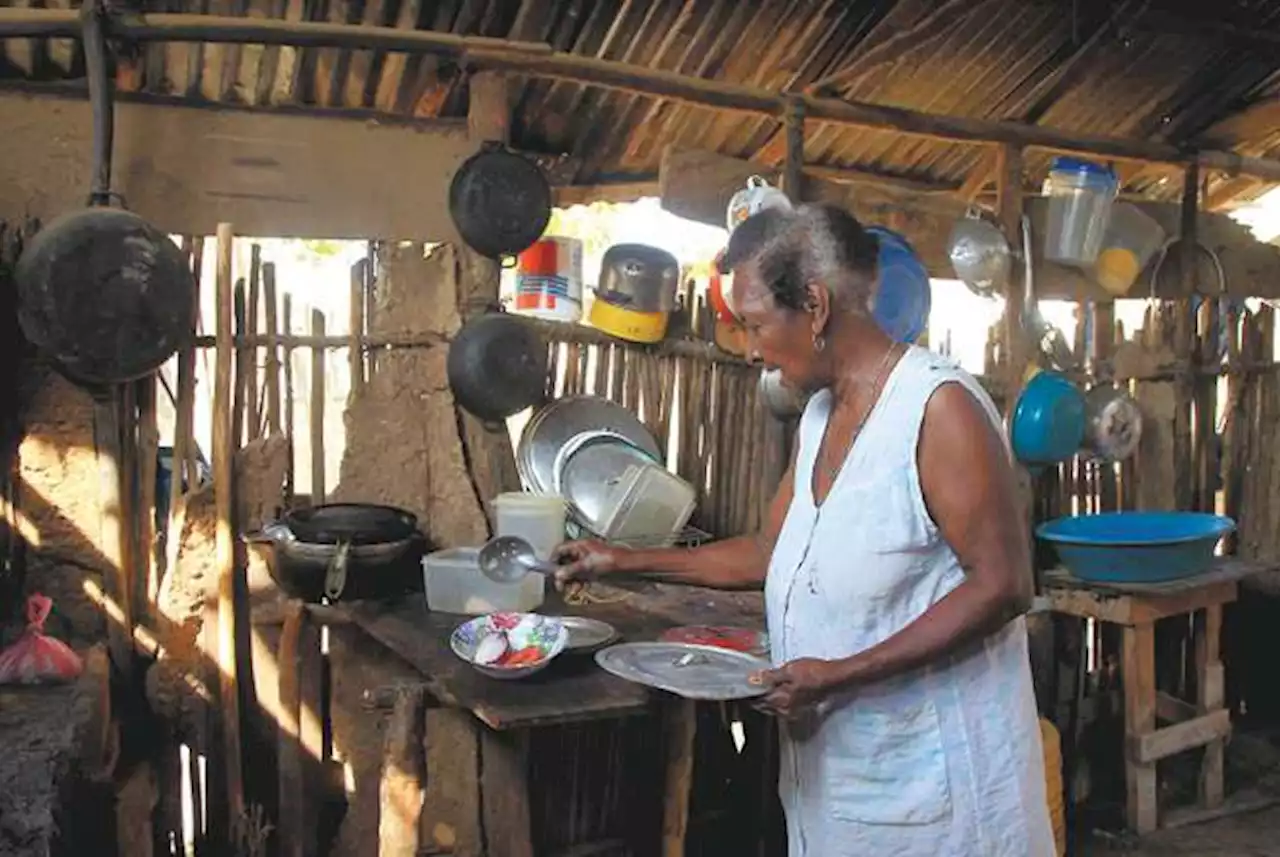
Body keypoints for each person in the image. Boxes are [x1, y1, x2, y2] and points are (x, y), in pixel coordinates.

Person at [553, 204, 1054, 856]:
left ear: (815, 306)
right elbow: (767, 551)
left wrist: (843, 673)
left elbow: (1004, 585)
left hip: (940, 791)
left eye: (757, 323)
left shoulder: (937, 409)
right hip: (846, 783)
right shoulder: (820, 416)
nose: (753, 346)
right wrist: (616, 560)